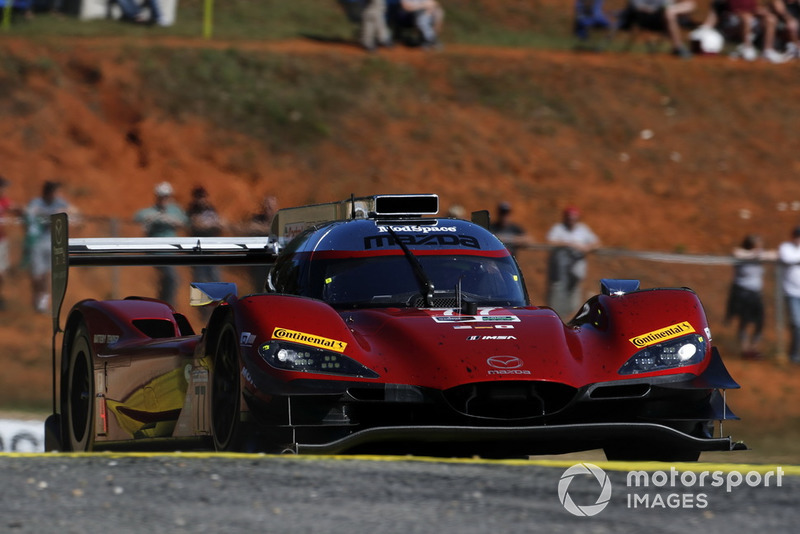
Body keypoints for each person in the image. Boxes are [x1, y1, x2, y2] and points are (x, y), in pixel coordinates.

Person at [25, 181, 76, 314]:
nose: (57, 195)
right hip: (36, 242)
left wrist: (63, 211)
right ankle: (37, 295)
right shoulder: (37, 202)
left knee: (47, 273)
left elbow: (74, 210)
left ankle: (43, 301)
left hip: (52, 242)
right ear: (48, 192)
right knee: (36, 275)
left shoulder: (59, 203)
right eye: (55, 192)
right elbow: (29, 212)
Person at [134, 182, 188, 307]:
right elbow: (138, 216)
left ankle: (165, 304)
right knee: (171, 279)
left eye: (166, 196)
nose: (164, 199)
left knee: (170, 280)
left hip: (172, 254)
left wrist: (172, 220)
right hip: (156, 253)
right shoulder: (151, 211)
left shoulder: (175, 211)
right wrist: (154, 218)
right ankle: (166, 304)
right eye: (161, 196)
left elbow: (184, 221)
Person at [725, 235, 777, 359]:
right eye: (757, 244)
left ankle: (753, 348)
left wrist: (759, 254)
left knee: (760, 321)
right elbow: (736, 253)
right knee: (744, 321)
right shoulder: (742, 254)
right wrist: (754, 255)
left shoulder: (760, 255)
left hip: (756, 294)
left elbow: (775, 255)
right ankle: (745, 349)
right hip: (743, 293)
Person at [545, 206, 600, 318]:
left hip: (575, 275)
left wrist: (586, 247)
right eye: (569, 217)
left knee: (574, 302)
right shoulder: (558, 228)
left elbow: (597, 243)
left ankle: (571, 321)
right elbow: (550, 242)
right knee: (556, 299)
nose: (571, 220)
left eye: (574, 218)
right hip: (559, 273)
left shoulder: (583, 229)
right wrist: (569, 244)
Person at [700, 0, 788, 62]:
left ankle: (767, 51)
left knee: (770, 19)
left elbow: (754, 8)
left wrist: (762, 12)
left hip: (750, 17)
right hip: (732, 20)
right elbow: (735, 10)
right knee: (746, 18)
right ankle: (747, 49)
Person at [627, 0, 698, 57]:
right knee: (669, 13)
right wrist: (653, 9)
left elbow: (667, 4)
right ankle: (678, 47)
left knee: (687, 6)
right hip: (648, 19)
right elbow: (637, 6)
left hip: (664, 16)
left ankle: (681, 46)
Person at [238, 195, 279, 293]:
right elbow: (249, 228)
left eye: (270, 206)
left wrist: (262, 228)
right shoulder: (256, 218)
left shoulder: (279, 219)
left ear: (275, 206)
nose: (268, 208)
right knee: (259, 287)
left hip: (274, 260)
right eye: (266, 205)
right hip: (258, 260)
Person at [186, 186, 225, 285]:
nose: (201, 199)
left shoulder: (211, 208)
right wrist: (210, 224)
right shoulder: (191, 210)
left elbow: (220, 224)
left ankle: (219, 300)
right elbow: (196, 225)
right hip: (198, 251)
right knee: (200, 280)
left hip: (212, 249)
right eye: (199, 197)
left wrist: (211, 224)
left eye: (203, 196)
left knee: (215, 279)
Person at [778, 226, 800, 364]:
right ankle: (794, 353)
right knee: (797, 324)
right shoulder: (786, 247)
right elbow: (787, 258)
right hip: (792, 292)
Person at [0, 176, 21, 310]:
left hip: (1, 240)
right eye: (3, 187)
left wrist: (23, 212)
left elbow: (14, 207)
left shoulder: (4, 201)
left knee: (1, 271)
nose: (5, 190)